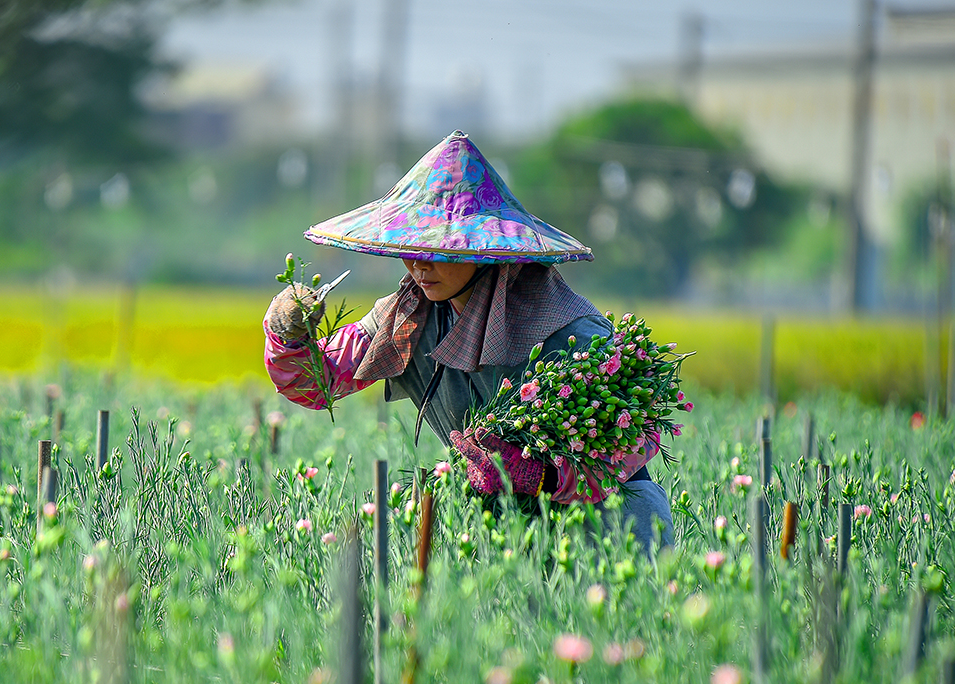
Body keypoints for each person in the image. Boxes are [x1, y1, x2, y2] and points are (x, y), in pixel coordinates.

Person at [262, 131, 674, 552]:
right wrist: (286, 332)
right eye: (411, 246)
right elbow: (318, 383)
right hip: (502, 535)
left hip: (610, 529)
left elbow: (636, 438)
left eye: (440, 249)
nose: (420, 264)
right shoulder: (406, 316)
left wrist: (541, 475)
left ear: (483, 250)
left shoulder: (565, 327)